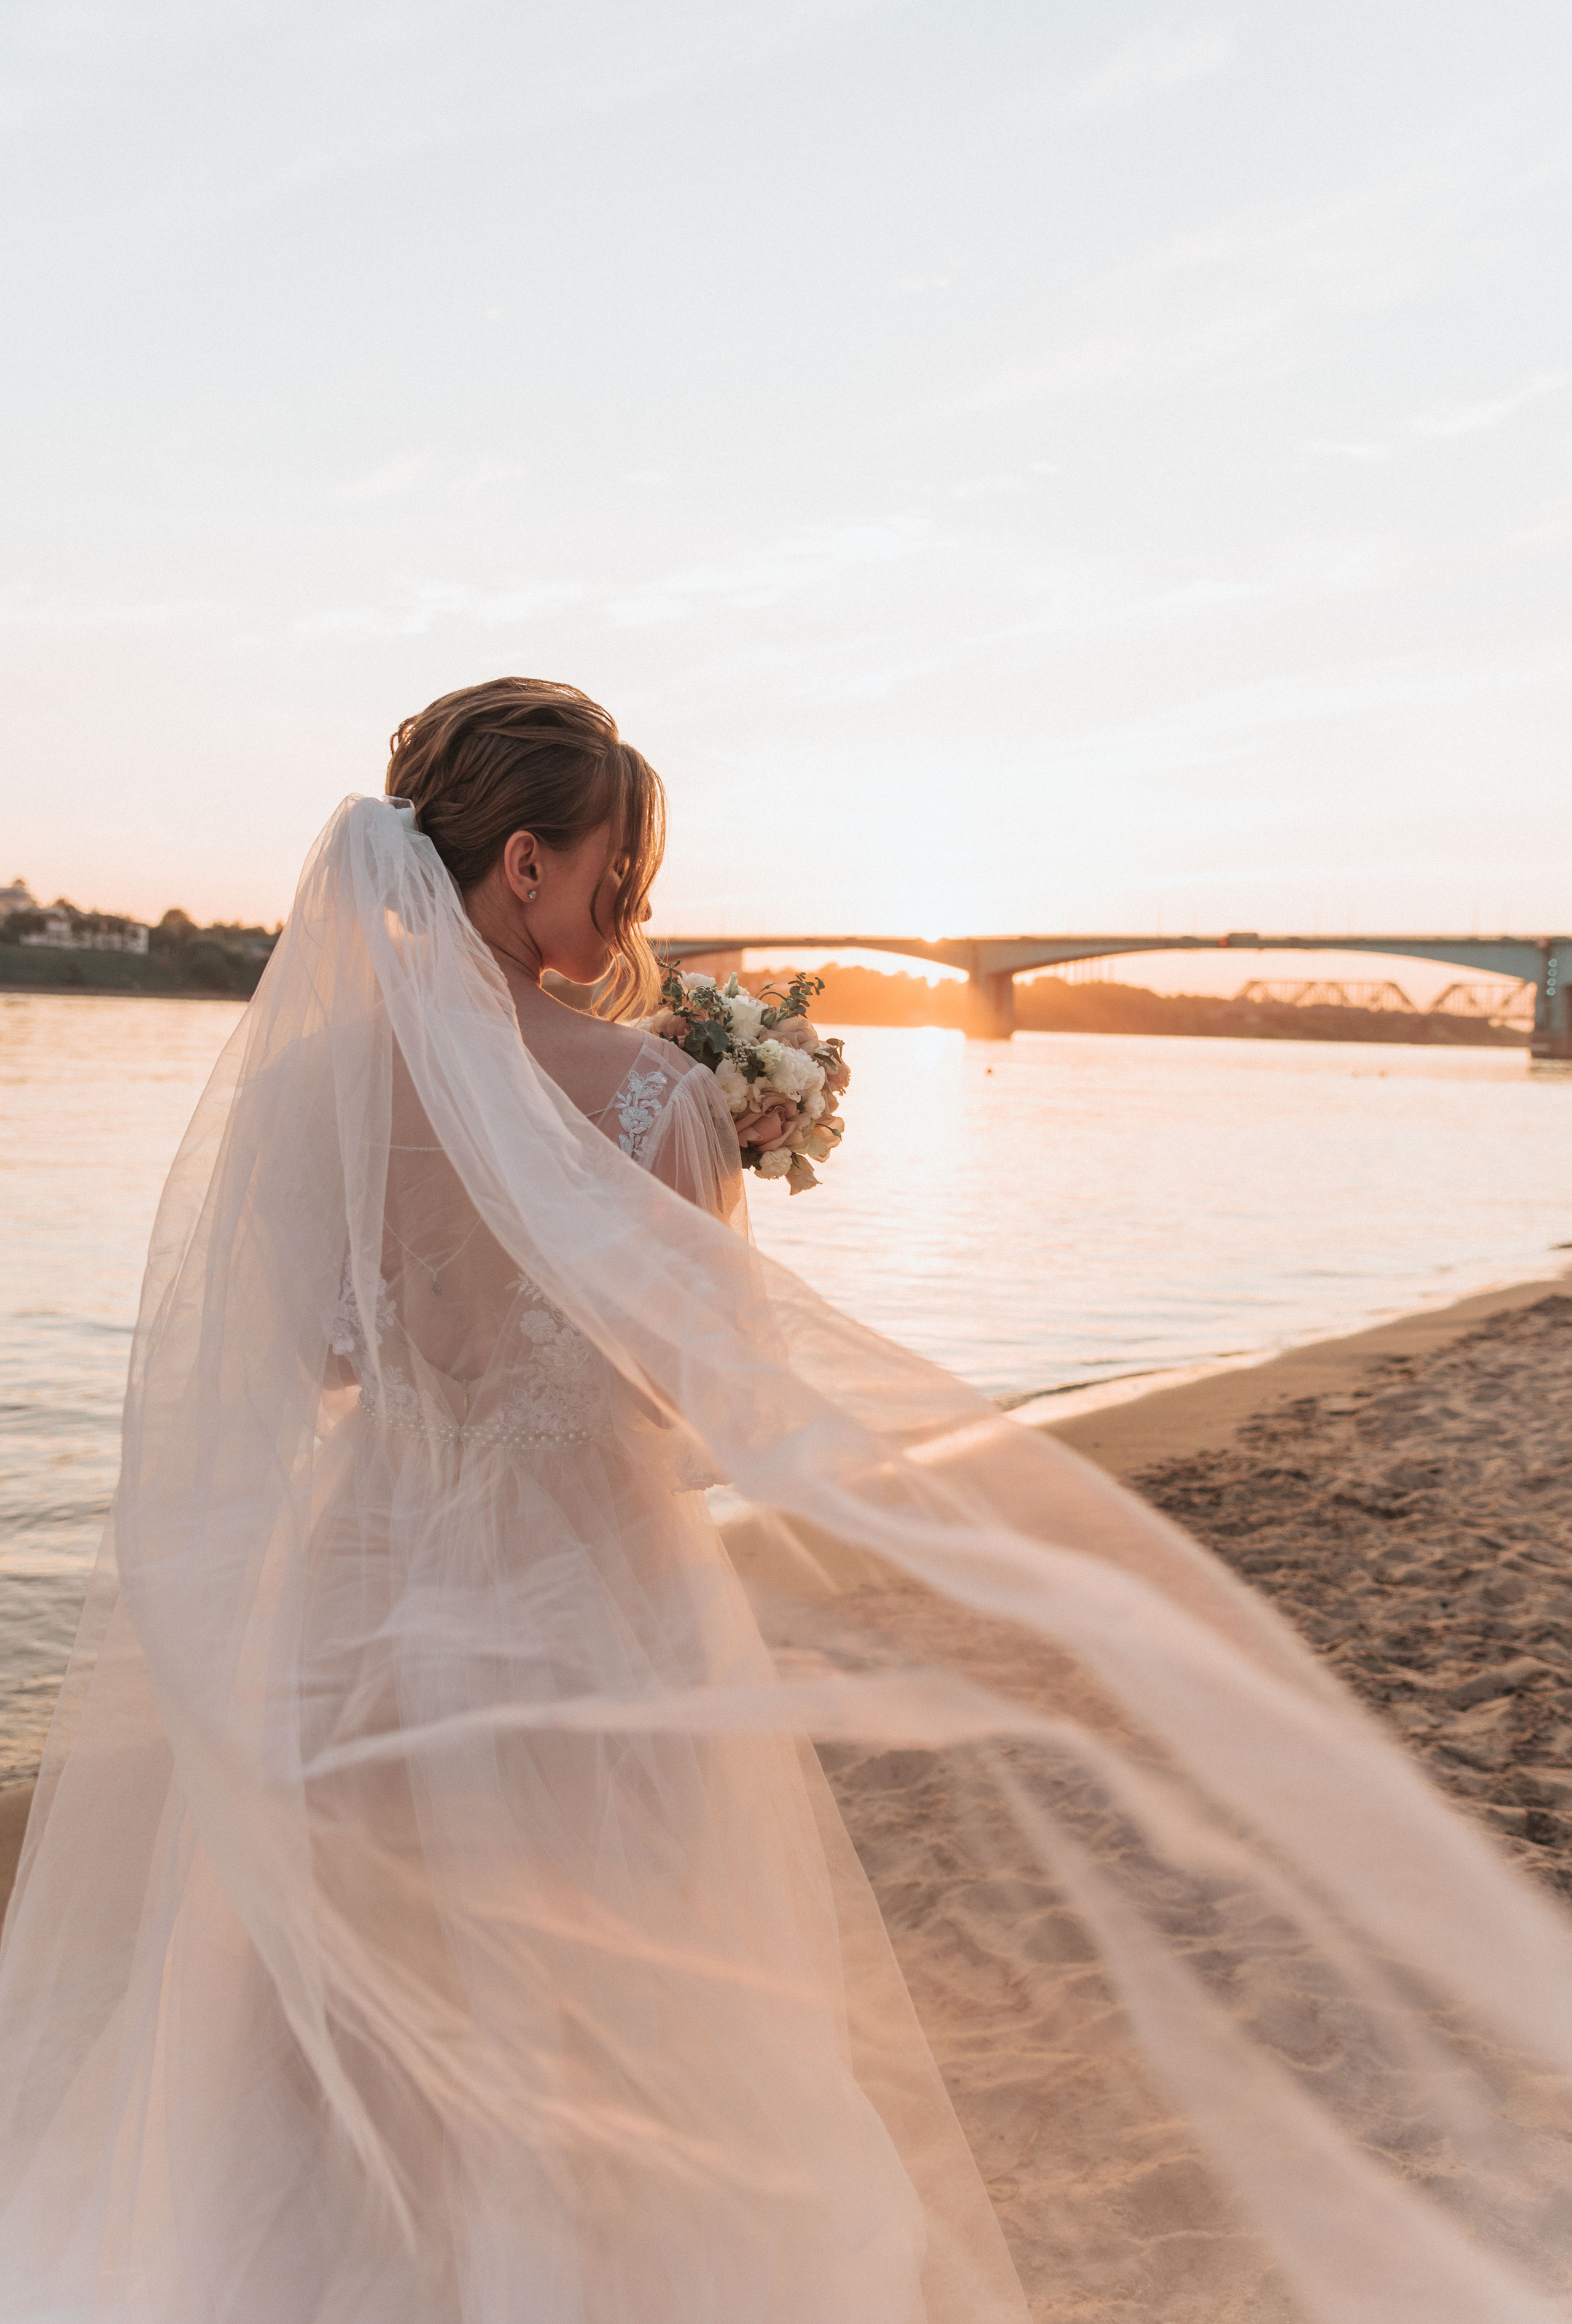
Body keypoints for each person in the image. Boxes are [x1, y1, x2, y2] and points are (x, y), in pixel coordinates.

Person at [1, 678, 1570, 2324]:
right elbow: (693, 1405)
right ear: (524, 863)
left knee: (343, 2027)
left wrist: (441, 1361)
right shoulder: (650, 1099)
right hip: (590, 1610)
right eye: (618, 872)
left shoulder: (314, 1074)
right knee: (617, 2007)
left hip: (355, 1606)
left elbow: (305, 1359)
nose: (635, 909)